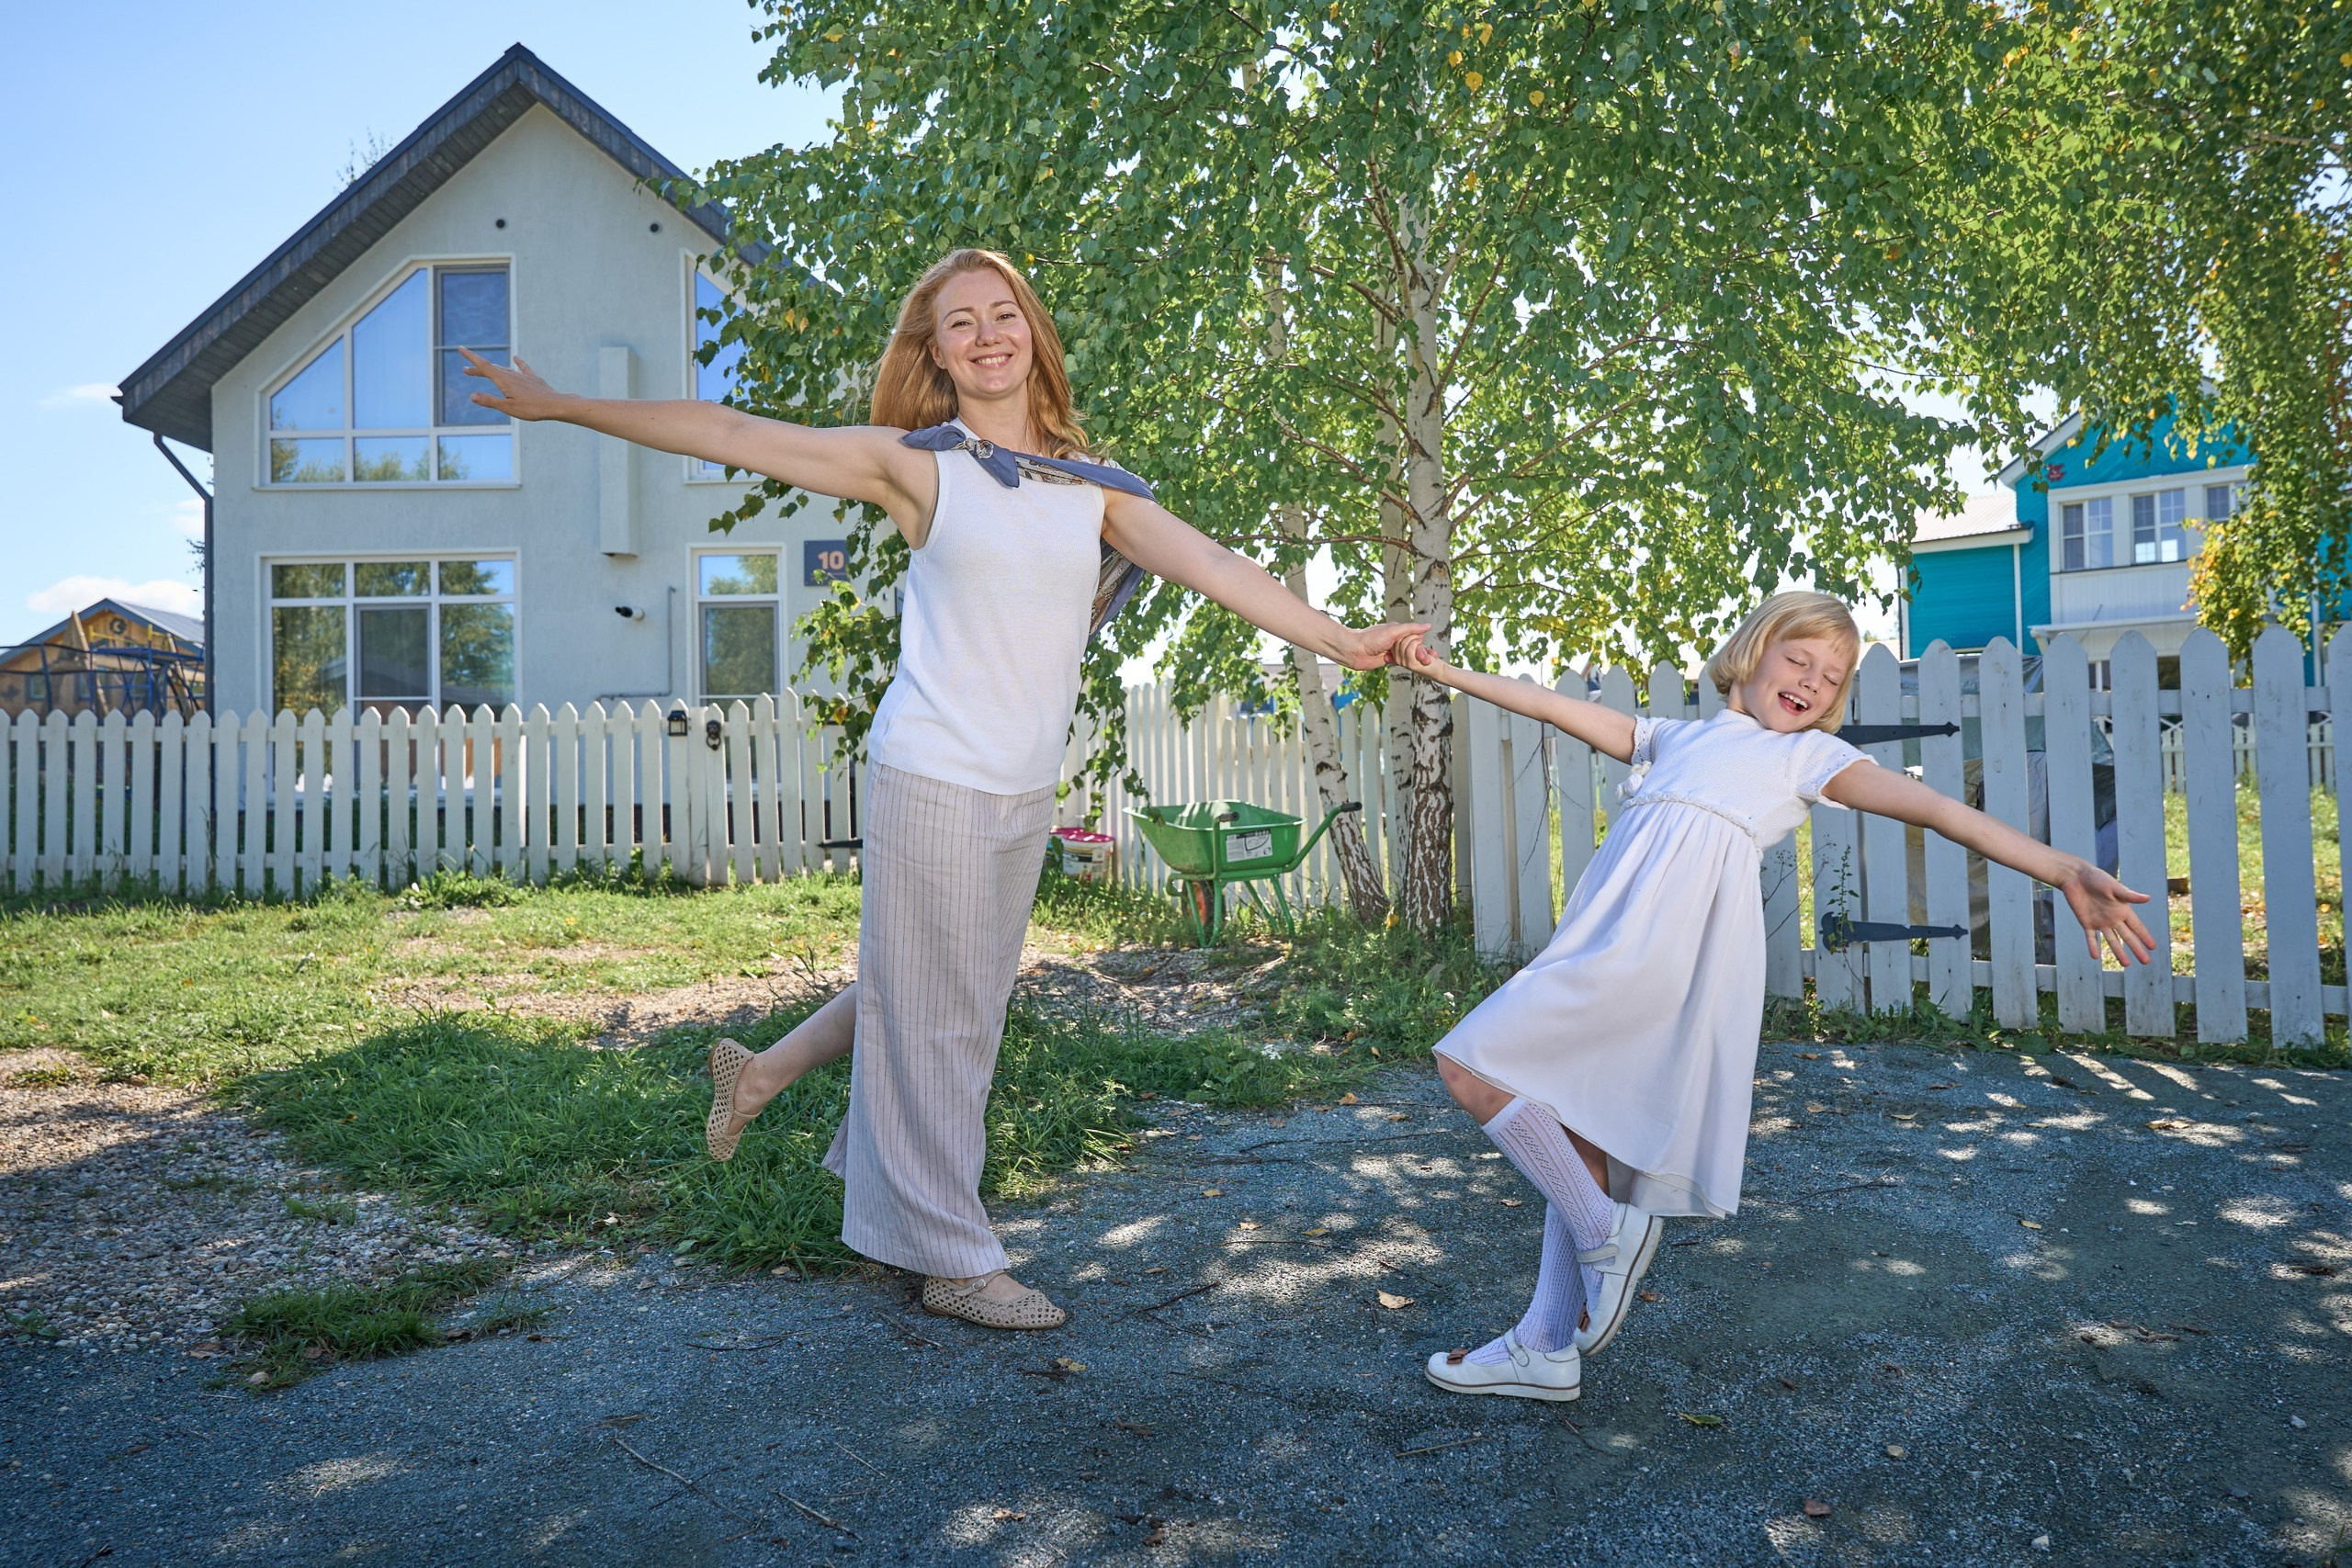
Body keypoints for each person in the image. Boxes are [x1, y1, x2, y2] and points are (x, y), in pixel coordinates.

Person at [458, 248, 1419, 1331]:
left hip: (1016, 786)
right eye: (959, 324)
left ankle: (766, 1081)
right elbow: (734, 434)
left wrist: (1346, 640)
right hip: (930, 770)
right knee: (946, 1018)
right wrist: (562, 407)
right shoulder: (924, 469)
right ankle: (950, 1256)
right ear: (938, 356)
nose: (986, 335)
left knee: (935, 992)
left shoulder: (1090, 491)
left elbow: (1225, 571)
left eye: (1002, 314)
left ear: (1032, 333)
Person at [1385, 592, 2154, 1402]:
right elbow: (1550, 704)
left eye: (1832, 676)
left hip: (1663, 949)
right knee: (1577, 1123)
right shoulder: (1673, 738)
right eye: (1800, 659)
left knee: (1470, 1064)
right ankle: (1545, 1344)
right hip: (1606, 936)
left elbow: (1937, 807)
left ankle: (1605, 1233)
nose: (1813, 683)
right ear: (1752, 652)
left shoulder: (1809, 759)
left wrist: (2063, 867)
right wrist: (1447, 671)